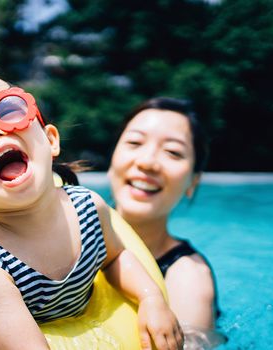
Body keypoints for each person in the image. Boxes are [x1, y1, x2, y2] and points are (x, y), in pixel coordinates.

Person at [0, 66, 183, 350]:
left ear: (50, 140)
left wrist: (150, 299)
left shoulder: (89, 208)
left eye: (7, 109)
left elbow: (115, 258)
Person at [108, 97, 223, 346]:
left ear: (193, 181)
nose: (147, 162)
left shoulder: (188, 277)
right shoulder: (63, 227)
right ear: (113, 157)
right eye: (135, 142)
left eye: (173, 151)